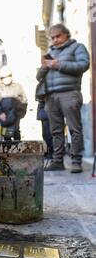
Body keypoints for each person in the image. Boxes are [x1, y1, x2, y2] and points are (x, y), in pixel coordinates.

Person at [37, 24, 90, 173]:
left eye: (58, 36)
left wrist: (57, 64)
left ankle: (76, 161)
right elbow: (38, 77)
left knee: (74, 129)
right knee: (55, 131)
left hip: (69, 93)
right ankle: (57, 161)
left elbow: (83, 65)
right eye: (52, 37)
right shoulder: (50, 52)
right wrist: (44, 67)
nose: (55, 39)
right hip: (51, 96)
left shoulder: (77, 47)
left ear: (66, 34)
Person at [0, 66, 28, 141]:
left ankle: (17, 150)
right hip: (4, 115)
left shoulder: (17, 87)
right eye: (4, 77)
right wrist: (0, 113)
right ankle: (8, 150)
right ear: (1, 79)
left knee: (16, 131)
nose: (6, 79)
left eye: (8, 76)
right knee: (7, 135)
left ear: (11, 76)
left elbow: (24, 100)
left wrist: (20, 111)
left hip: (16, 114)